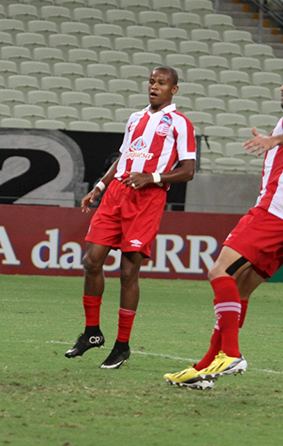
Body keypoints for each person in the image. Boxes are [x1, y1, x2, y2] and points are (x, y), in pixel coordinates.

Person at [164, 62, 283, 390]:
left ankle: (231, 353)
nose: (282, 87)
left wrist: (275, 141)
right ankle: (205, 368)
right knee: (239, 291)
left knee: (219, 272)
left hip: (273, 213)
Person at [65, 66, 196, 369]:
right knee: (92, 261)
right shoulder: (136, 118)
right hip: (116, 195)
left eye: (161, 83)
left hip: (147, 198)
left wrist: (153, 177)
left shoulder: (179, 123)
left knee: (128, 272)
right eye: (152, 82)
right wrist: (99, 186)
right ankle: (92, 332)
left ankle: (122, 345)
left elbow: (188, 170)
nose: (154, 87)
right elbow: (124, 157)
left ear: (173, 89)